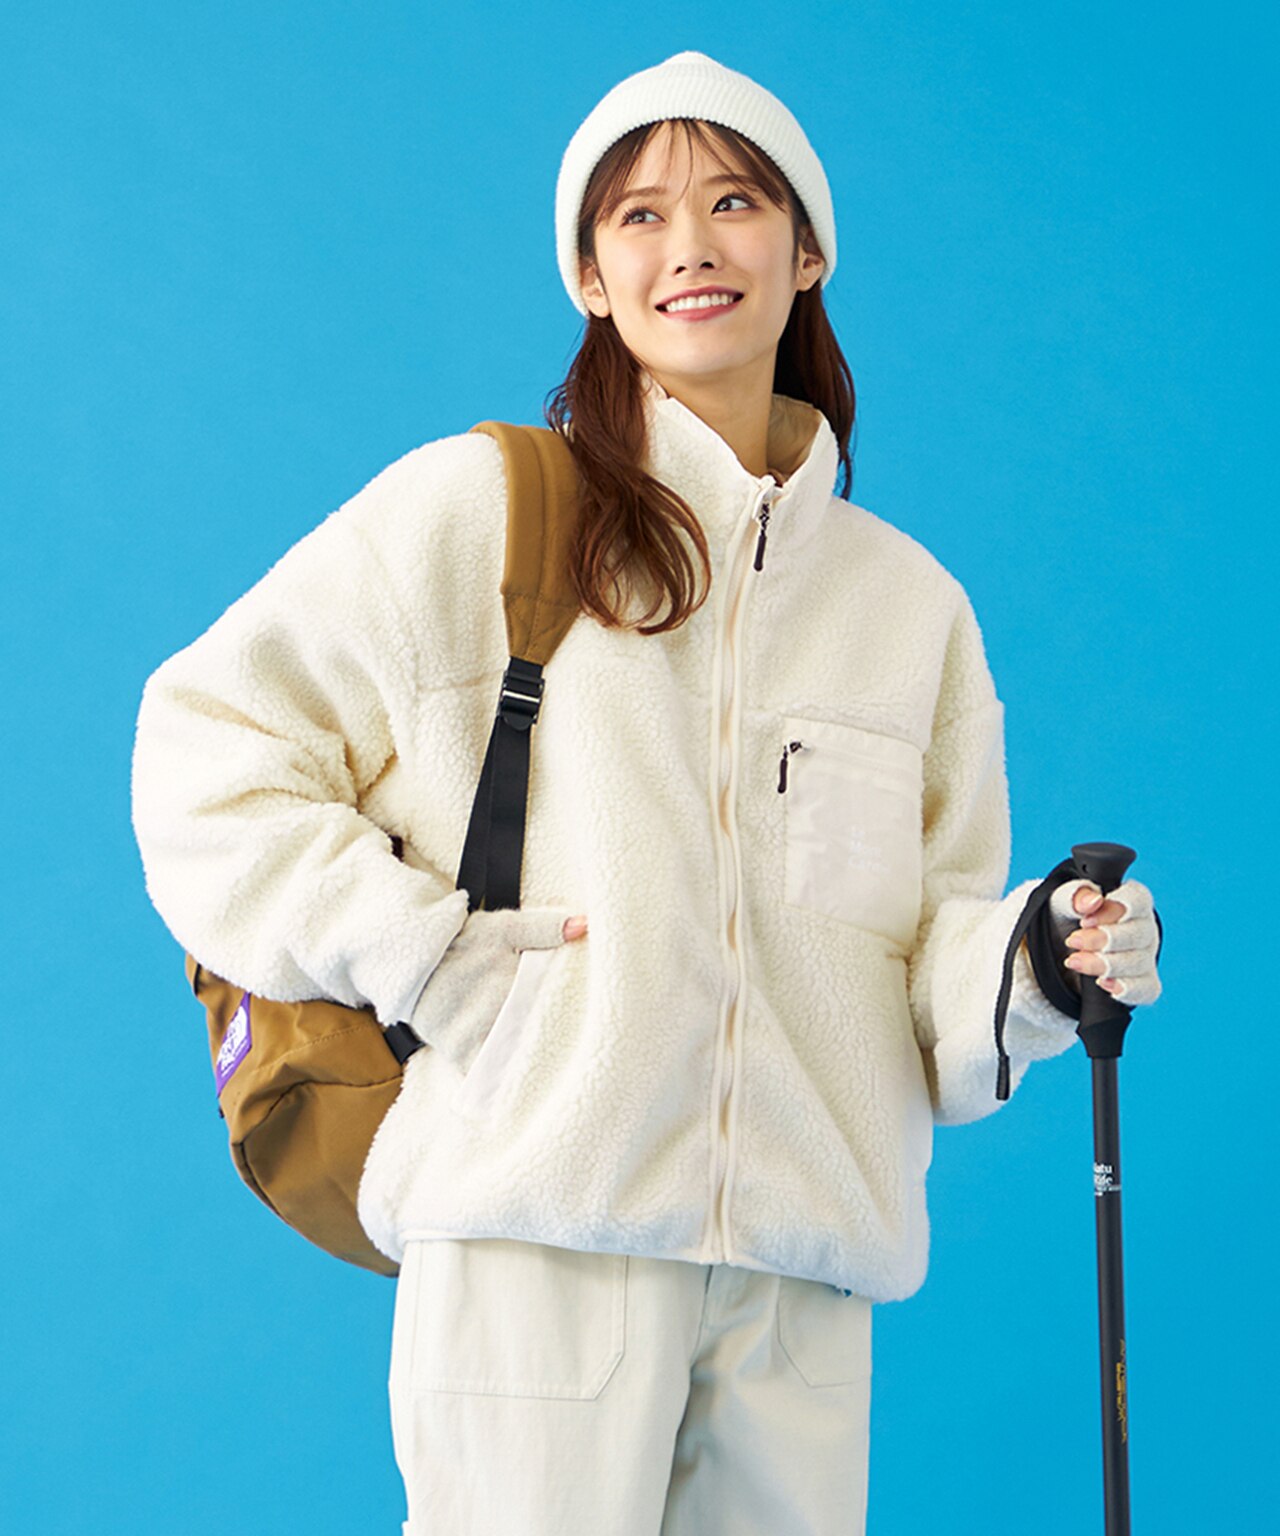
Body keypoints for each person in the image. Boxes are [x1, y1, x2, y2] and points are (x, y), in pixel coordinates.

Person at [131, 50, 1163, 1536]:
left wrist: (1038, 961)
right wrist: (426, 956)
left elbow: (910, 961)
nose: (692, 245)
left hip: (802, 1282)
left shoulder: (907, 610)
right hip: (542, 1237)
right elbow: (207, 747)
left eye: (736, 202)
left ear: (806, 253)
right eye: (639, 216)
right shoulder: (479, 513)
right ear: (591, 278)